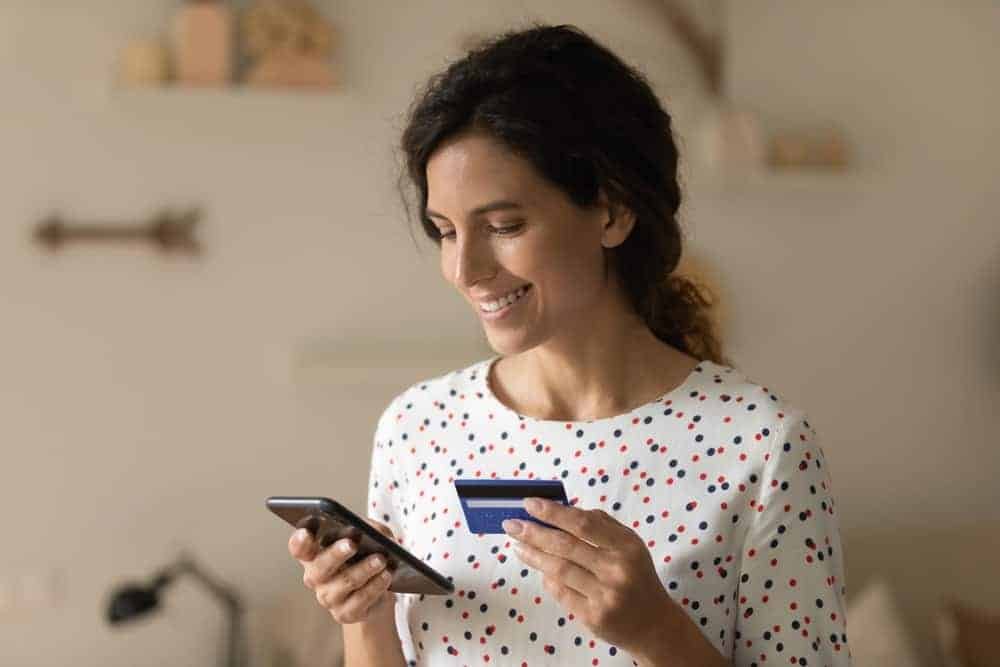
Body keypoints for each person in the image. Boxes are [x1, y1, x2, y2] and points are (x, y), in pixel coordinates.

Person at [288, 23, 851, 667]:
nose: (466, 269)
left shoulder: (761, 444)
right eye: (445, 231)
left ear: (611, 213)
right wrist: (362, 616)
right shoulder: (417, 427)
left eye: (504, 225)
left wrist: (658, 632)